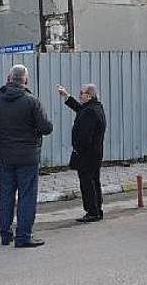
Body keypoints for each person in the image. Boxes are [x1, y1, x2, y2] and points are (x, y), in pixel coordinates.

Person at [0, 65, 53, 248]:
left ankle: (5, 234)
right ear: (25, 80)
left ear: (9, 78)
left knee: (5, 195)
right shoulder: (32, 101)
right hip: (28, 156)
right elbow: (46, 128)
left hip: (5, 155)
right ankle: (23, 236)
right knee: (27, 196)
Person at [57, 83, 107, 222]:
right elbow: (80, 109)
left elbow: (85, 136)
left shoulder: (90, 111)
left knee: (87, 183)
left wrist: (78, 148)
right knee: (94, 181)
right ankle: (97, 209)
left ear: (89, 95)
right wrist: (67, 96)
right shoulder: (94, 107)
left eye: (82, 92)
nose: (79, 95)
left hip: (87, 154)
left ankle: (92, 211)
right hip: (95, 153)